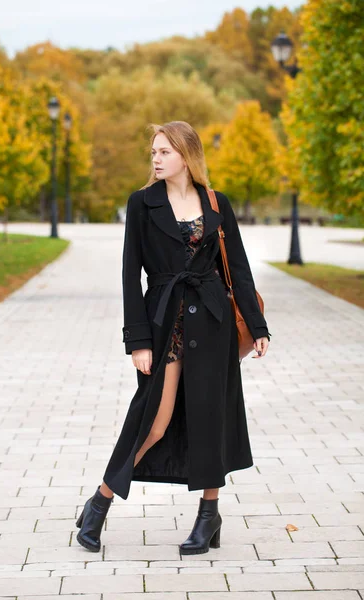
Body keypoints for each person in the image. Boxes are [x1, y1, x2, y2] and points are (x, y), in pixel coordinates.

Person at [76, 120, 271, 555]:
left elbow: (236, 270)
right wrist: (137, 340)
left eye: (164, 151)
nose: (157, 159)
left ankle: (208, 515)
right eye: (154, 152)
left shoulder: (216, 203)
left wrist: (257, 327)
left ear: (187, 154)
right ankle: (99, 503)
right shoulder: (142, 204)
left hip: (214, 327)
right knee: (153, 420)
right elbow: (130, 277)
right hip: (165, 326)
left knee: (210, 419)